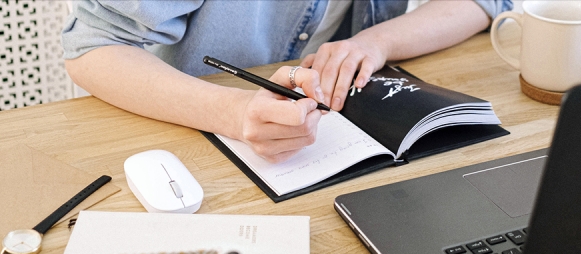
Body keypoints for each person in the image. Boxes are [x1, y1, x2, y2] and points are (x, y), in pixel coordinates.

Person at [63, 0, 512, 163]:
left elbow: (488, 1)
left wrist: (378, 41)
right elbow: (92, 47)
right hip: (195, 144)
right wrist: (235, 111)